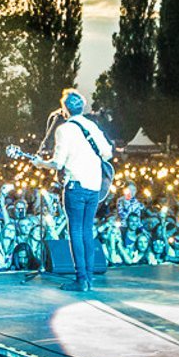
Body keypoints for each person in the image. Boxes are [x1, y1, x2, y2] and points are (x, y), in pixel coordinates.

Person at [49, 89, 114, 294]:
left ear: (65, 109)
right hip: (94, 186)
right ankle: (89, 278)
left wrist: (40, 162)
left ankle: (81, 279)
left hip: (75, 186)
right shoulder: (92, 125)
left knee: (75, 231)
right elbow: (107, 152)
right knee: (87, 230)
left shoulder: (64, 129)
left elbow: (58, 163)